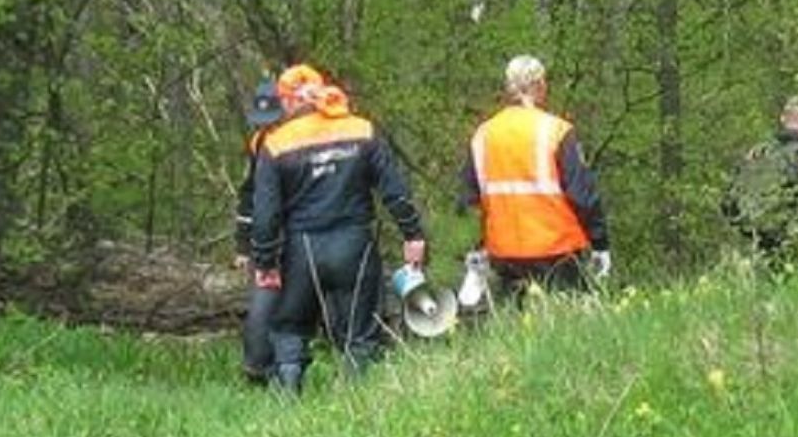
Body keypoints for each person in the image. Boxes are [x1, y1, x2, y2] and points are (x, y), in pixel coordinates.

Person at [252, 64, 426, 394]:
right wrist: (412, 234)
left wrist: (265, 262)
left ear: (287, 101)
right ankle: (357, 405)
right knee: (360, 333)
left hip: (300, 251)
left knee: (289, 328)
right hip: (354, 244)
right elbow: (394, 189)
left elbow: (265, 214)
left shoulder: (274, 144)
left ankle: (287, 402)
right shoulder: (360, 130)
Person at [460, 55, 610, 305]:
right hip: (556, 250)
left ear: (509, 88)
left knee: (517, 329)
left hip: (503, 254)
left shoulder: (484, 135)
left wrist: (476, 250)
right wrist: (600, 243)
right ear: (540, 85)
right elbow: (582, 195)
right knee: (568, 326)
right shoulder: (556, 131)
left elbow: (468, 201)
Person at [721, 94, 798, 271]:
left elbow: (728, 203)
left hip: (753, 250)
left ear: (783, 118)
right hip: (794, 252)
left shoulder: (756, 154)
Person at [232, 77, 286, 384]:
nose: (267, 128)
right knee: (262, 303)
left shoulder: (296, 141)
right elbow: (248, 195)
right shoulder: (258, 144)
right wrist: (242, 246)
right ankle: (258, 369)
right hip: (266, 236)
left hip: (296, 232)